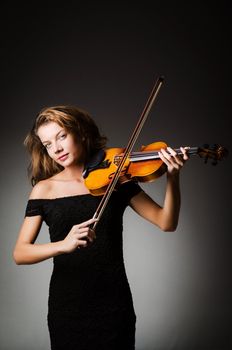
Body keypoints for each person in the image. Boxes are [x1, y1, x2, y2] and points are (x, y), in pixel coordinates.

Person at [13, 105, 189, 350]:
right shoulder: (44, 189)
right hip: (67, 306)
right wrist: (64, 245)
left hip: (114, 303)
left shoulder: (115, 178)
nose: (57, 149)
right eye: (48, 144)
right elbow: (20, 253)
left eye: (61, 136)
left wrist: (172, 176)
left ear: (81, 132)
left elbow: (166, 222)